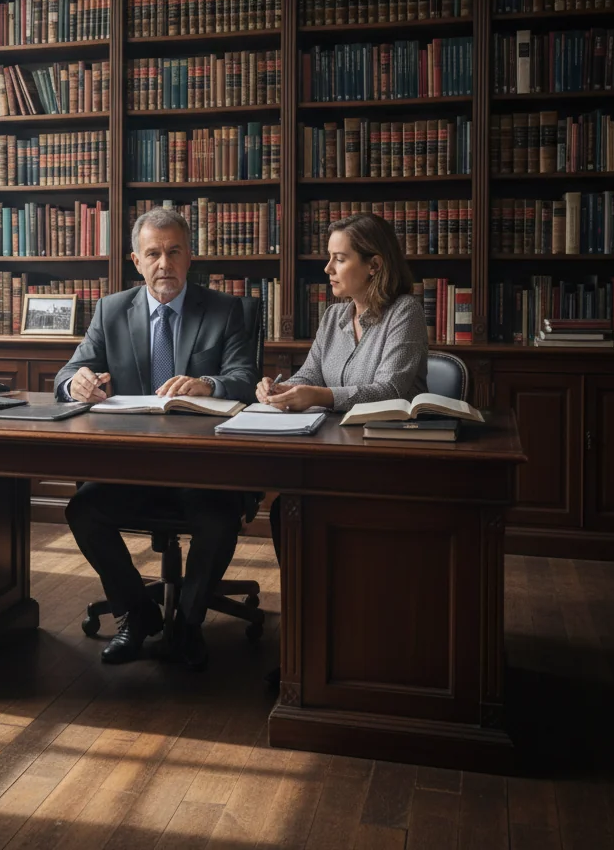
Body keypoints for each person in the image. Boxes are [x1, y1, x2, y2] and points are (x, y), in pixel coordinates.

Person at [56, 206, 257, 670]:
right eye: (153, 254)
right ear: (136, 260)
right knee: (83, 510)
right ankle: (138, 613)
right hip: (130, 466)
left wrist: (209, 385)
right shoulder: (111, 310)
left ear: (190, 257)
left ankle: (188, 624)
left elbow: (245, 378)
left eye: (174, 252)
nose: (164, 264)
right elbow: (69, 372)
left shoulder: (225, 310)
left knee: (218, 517)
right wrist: (76, 383)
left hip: (203, 468)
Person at [257, 211, 428, 559]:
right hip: (334, 450)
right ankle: (303, 594)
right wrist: (280, 389)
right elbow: (310, 374)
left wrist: (319, 396)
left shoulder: (405, 312)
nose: (327, 269)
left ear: (374, 265)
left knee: (305, 510)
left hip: (387, 458)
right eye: (329, 258)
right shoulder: (334, 316)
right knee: (286, 509)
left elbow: (390, 391)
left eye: (339, 258)